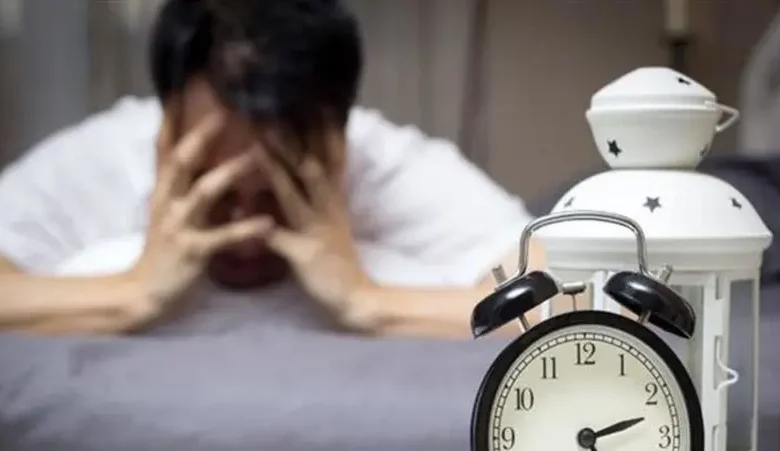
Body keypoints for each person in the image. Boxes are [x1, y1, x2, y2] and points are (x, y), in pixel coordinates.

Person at [0, 0, 548, 338]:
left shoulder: (386, 164)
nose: (245, 233)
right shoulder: (113, 151)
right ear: (165, 138)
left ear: (339, 144)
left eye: (280, 194)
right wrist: (132, 292)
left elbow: (563, 297)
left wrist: (367, 300)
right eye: (214, 190)